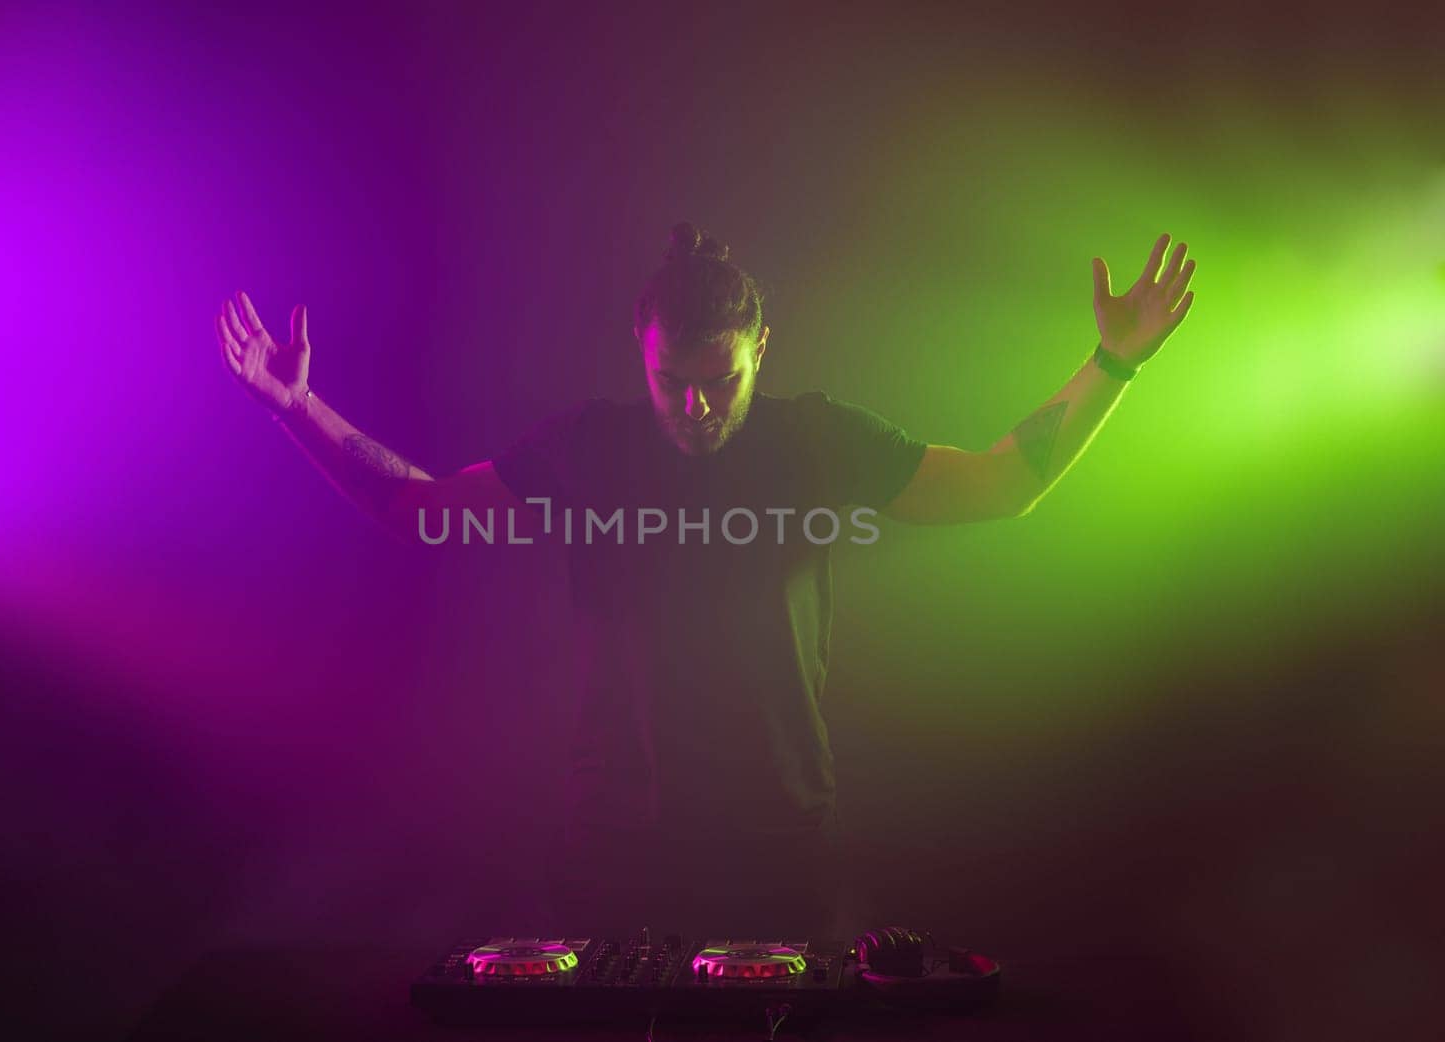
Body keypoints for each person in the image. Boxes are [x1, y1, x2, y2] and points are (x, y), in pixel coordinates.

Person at [216, 222, 1196, 938]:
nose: (692, 406)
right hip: (614, 844)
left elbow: (999, 484)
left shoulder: (816, 437)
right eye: (668, 381)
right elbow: (418, 511)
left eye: (718, 381)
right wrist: (298, 410)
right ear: (639, 358)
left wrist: (1112, 363)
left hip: (783, 841)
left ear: (761, 351)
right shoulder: (589, 449)